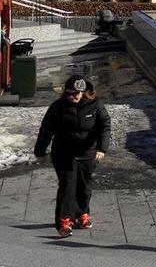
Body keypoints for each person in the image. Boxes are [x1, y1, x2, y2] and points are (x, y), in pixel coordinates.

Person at [34, 75, 111, 238]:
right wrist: (40, 151)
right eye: (69, 93)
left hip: (87, 153)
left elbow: (105, 126)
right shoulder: (57, 107)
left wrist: (101, 148)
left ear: (83, 92)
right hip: (63, 153)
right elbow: (46, 130)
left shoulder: (95, 105)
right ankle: (64, 221)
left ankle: (82, 214)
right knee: (68, 186)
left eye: (75, 93)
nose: (72, 97)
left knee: (84, 186)